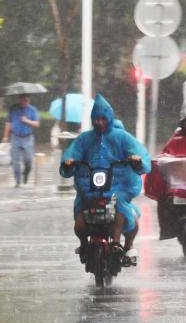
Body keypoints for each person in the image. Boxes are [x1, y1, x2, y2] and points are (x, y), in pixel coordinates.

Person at [59, 94, 151, 263]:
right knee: (80, 216)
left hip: (119, 185)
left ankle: (119, 243)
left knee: (121, 207)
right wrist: (68, 163)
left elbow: (139, 154)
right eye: (96, 119)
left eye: (103, 119)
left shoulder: (122, 137)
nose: (99, 122)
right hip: (90, 186)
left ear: (109, 118)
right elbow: (72, 154)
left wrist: (137, 160)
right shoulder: (84, 139)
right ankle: (83, 243)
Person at [2, 95, 40, 187]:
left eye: (26, 100)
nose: (24, 101)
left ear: (28, 100)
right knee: (15, 161)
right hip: (15, 137)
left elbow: (37, 124)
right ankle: (18, 180)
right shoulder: (13, 109)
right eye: (22, 100)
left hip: (28, 138)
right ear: (19, 100)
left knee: (28, 160)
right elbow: (8, 123)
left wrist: (26, 120)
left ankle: (26, 173)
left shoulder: (32, 110)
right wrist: (5, 136)